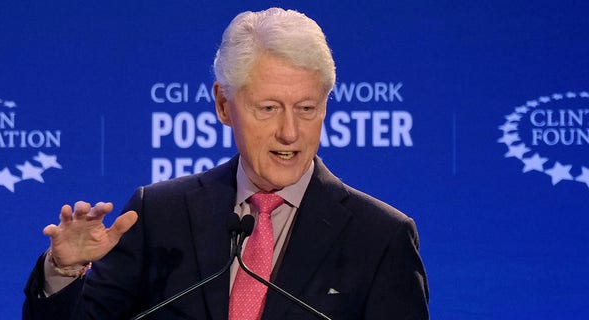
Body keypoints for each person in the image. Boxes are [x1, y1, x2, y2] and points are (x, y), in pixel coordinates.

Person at [23, 7, 429, 320]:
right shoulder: (159, 214)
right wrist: (64, 271)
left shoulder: (380, 238)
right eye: (268, 108)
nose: (290, 132)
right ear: (223, 103)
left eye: (307, 108)